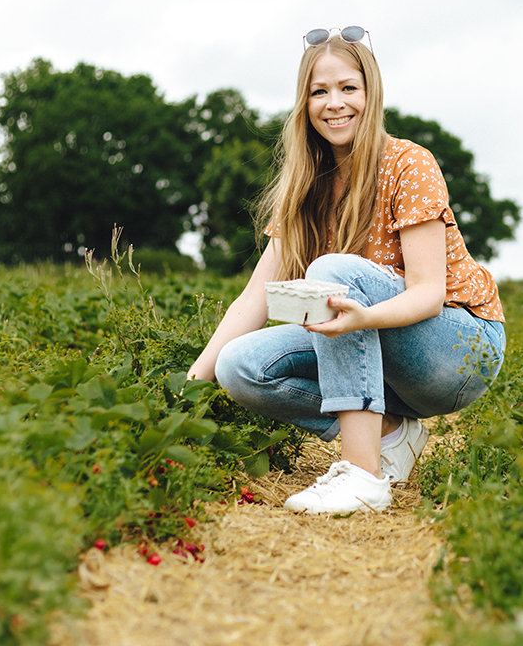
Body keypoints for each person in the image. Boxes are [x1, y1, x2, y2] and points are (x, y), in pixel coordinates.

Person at [186, 26, 505, 514]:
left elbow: (427, 293)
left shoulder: (408, 163)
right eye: (319, 91)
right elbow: (254, 299)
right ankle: (391, 432)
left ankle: (362, 476)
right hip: (377, 353)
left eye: (347, 88)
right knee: (239, 365)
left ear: (370, 92)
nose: (334, 103)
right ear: (305, 103)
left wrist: (360, 319)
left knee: (332, 271)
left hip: (457, 350)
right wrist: (188, 391)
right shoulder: (306, 186)